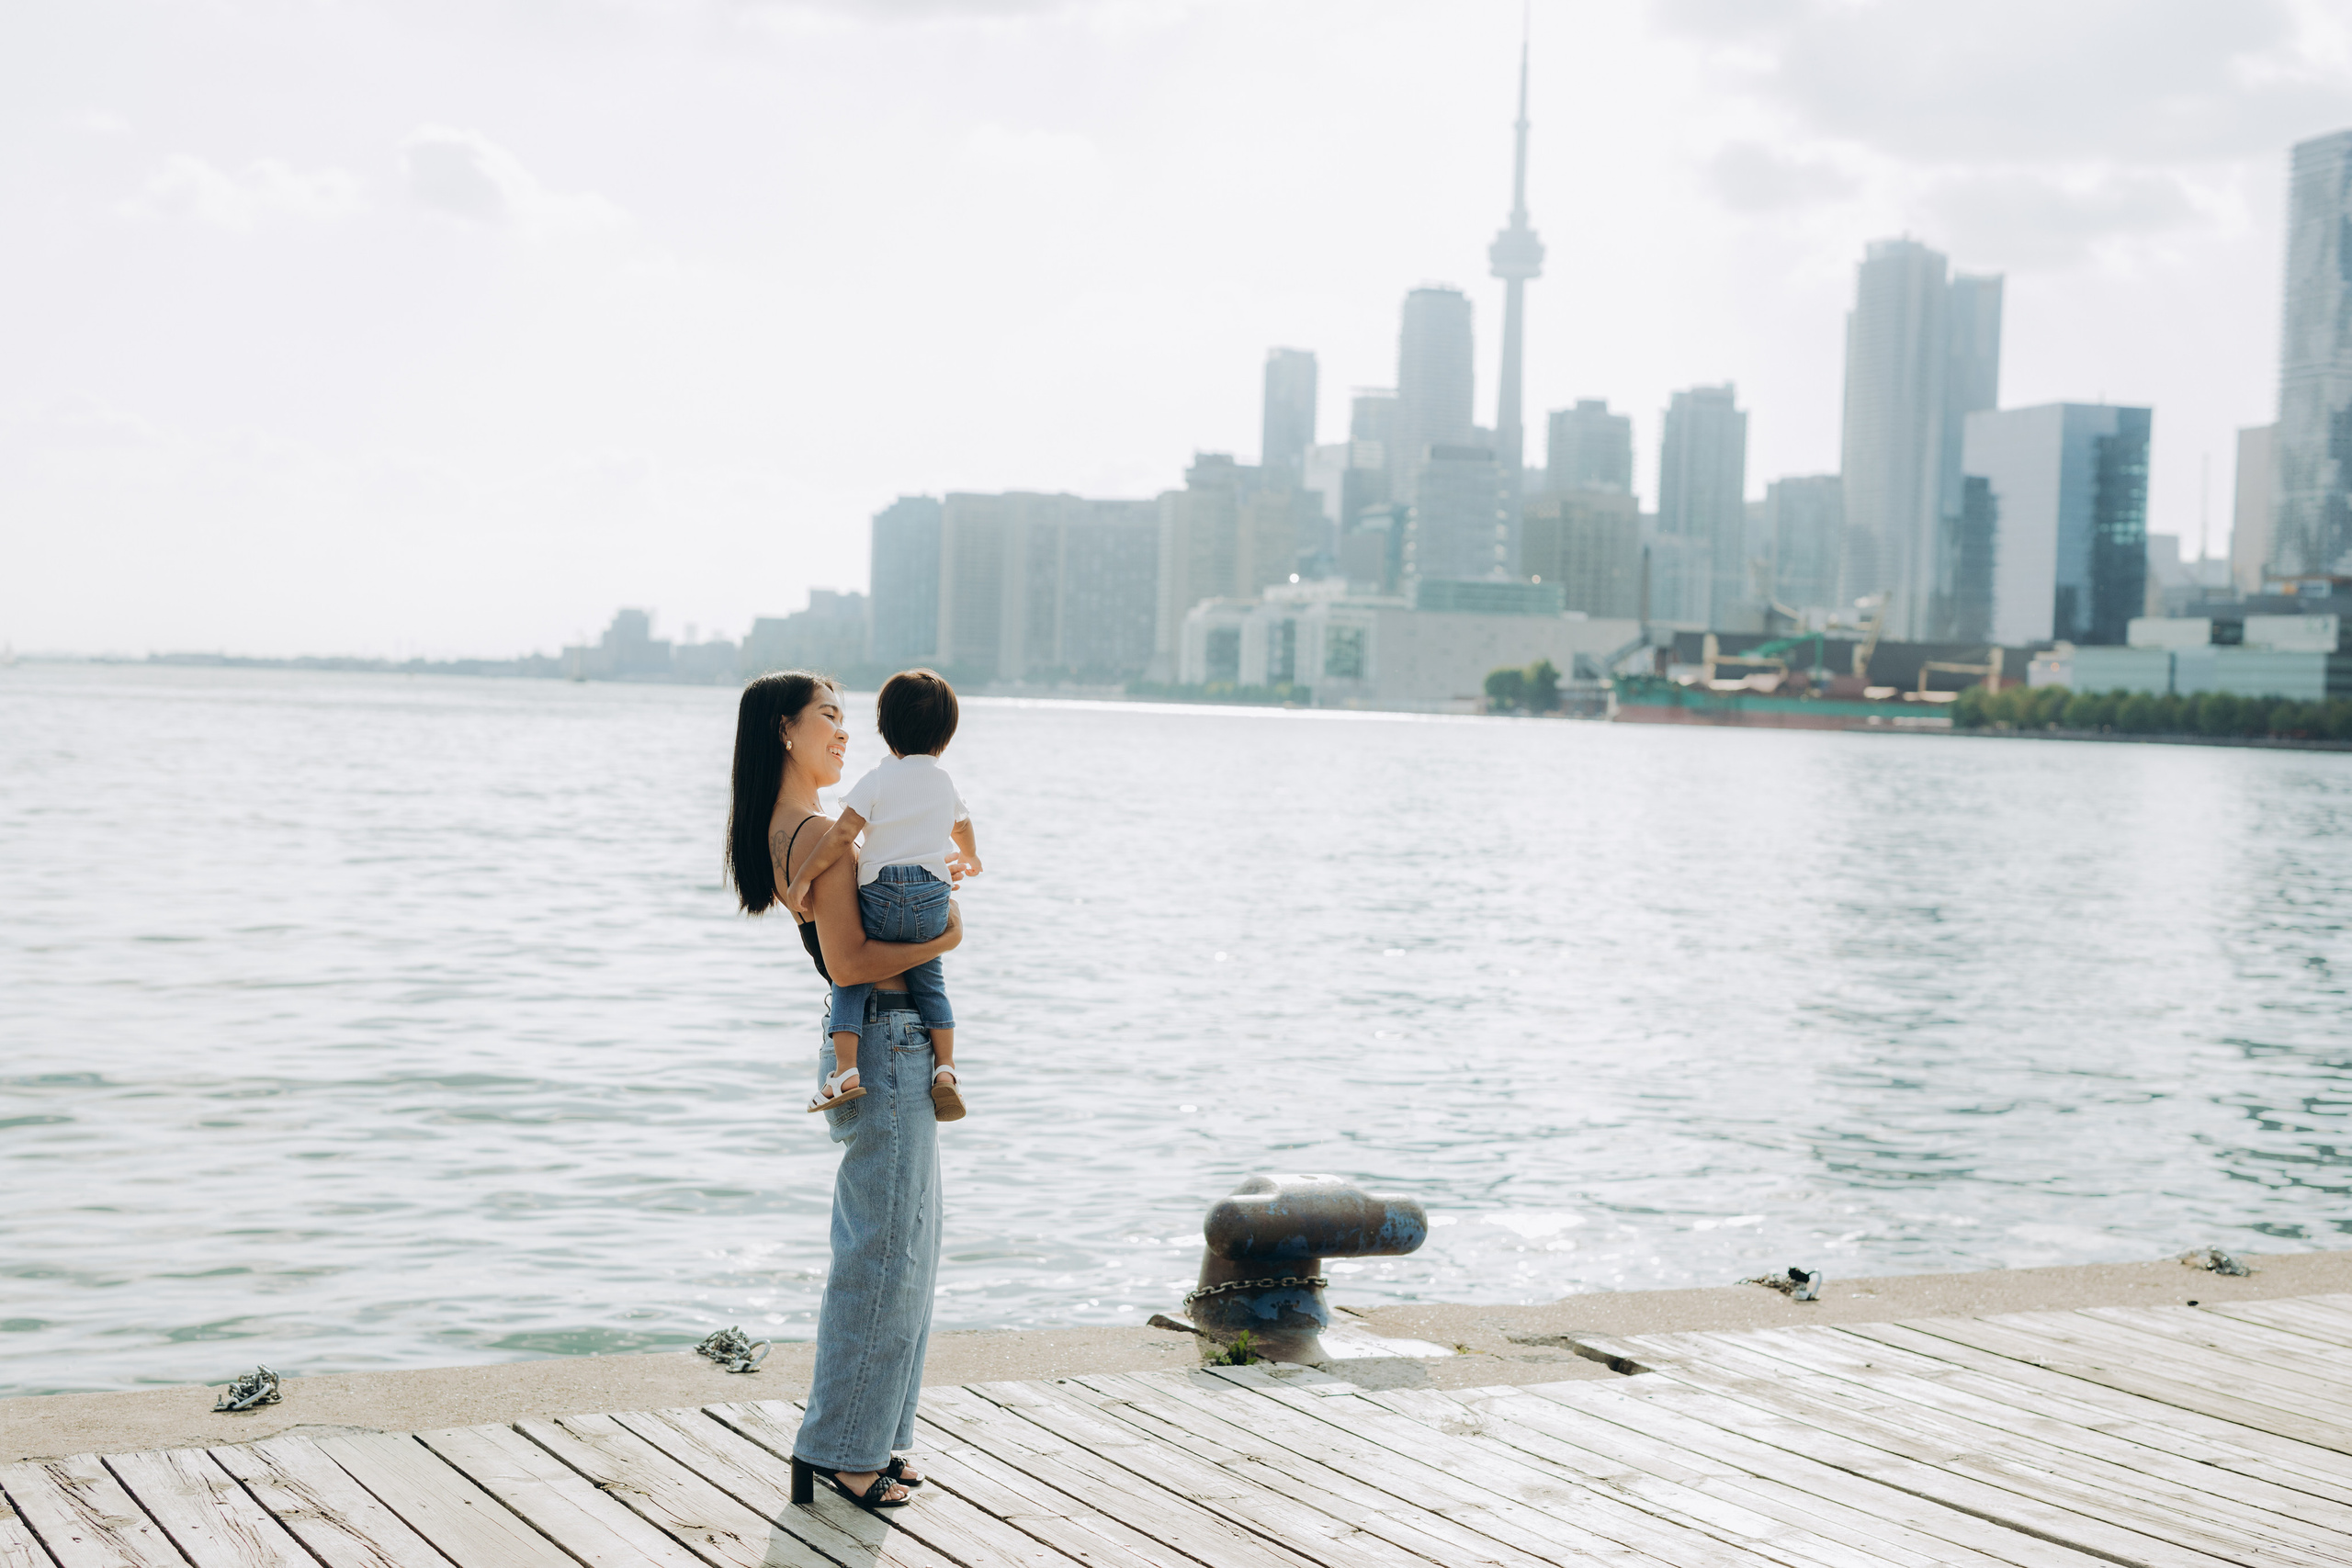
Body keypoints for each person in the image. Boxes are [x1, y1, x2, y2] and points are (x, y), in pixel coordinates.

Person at [726, 671, 963, 1513]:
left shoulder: (792, 827)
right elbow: (852, 963)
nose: (844, 732)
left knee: (908, 1249)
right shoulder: (820, 829)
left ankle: (877, 1439)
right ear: (785, 730)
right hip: (890, 1044)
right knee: (885, 1253)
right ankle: (844, 1453)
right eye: (829, 716)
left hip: (879, 1044)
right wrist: (947, 933)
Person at [784, 669, 978, 1122]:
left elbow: (839, 837)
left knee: (850, 980)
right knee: (931, 981)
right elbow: (962, 826)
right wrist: (971, 859)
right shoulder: (944, 783)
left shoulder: (875, 781)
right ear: (945, 737)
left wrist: (802, 880)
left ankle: (846, 1070)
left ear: (884, 729)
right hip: (932, 897)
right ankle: (946, 1071)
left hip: (883, 895)